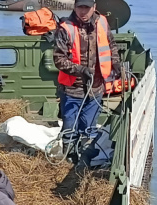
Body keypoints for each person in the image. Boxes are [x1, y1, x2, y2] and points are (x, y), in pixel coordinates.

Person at [53, 0, 121, 172]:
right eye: (80, 7)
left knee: (89, 129)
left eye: (87, 7)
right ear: (74, 7)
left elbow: (111, 46)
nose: (83, 11)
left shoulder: (103, 23)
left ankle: (85, 163)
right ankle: (69, 161)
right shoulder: (66, 28)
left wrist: (116, 64)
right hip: (72, 88)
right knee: (70, 128)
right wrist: (80, 69)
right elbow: (58, 59)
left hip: (96, 88)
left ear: (94, 7)